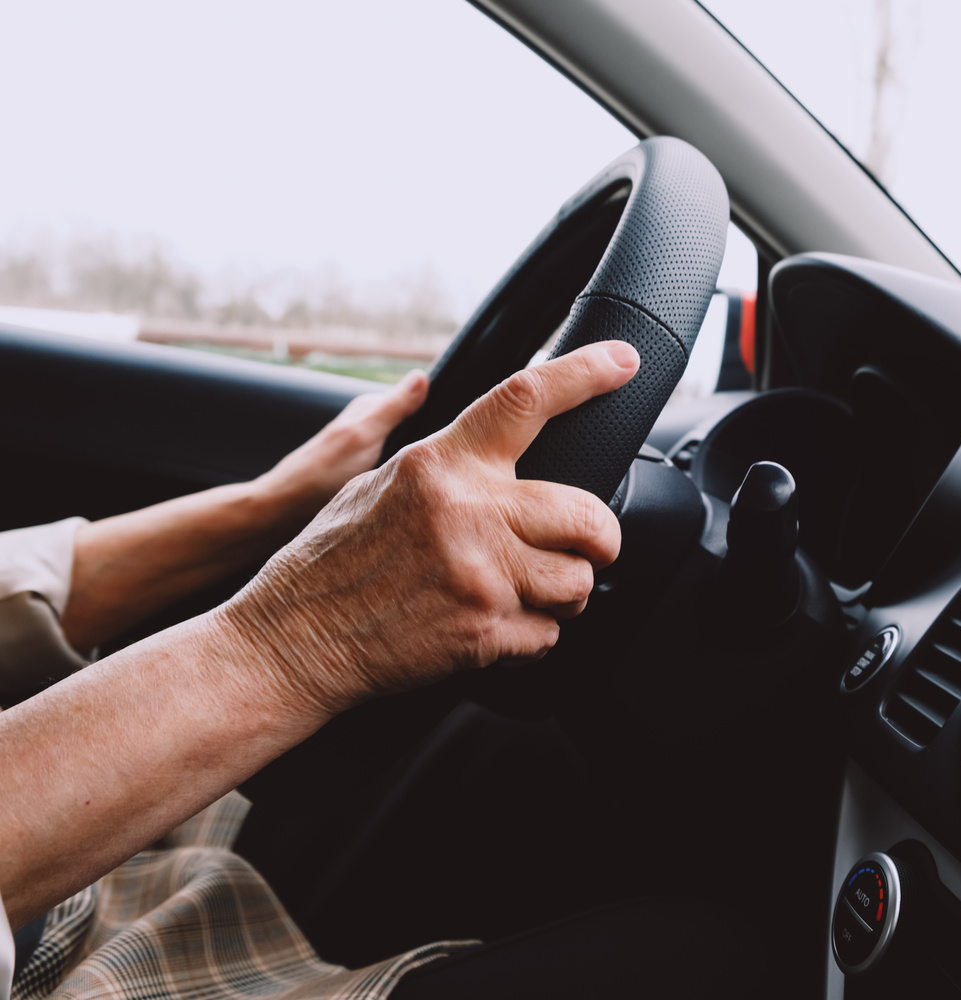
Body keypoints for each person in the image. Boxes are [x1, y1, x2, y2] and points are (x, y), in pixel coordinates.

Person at [0, 341, 756, 1000]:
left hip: (81, 870)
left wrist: (274, 507)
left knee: (503, 746)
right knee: (712, 959)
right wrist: (299, 637)